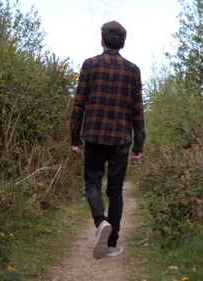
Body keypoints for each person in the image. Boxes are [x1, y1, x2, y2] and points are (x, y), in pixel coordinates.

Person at [70, 20, 145, 259]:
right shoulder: (133, 70)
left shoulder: (90, 65)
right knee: (115, 190)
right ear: (122, 43)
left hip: (94, 138)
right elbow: (137, 111)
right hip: (121, 142)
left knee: (92, 184)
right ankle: (111, 244)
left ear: (102, 41)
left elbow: (78, 105)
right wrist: (138, 145)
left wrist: (75, 138)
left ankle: (101, 222)